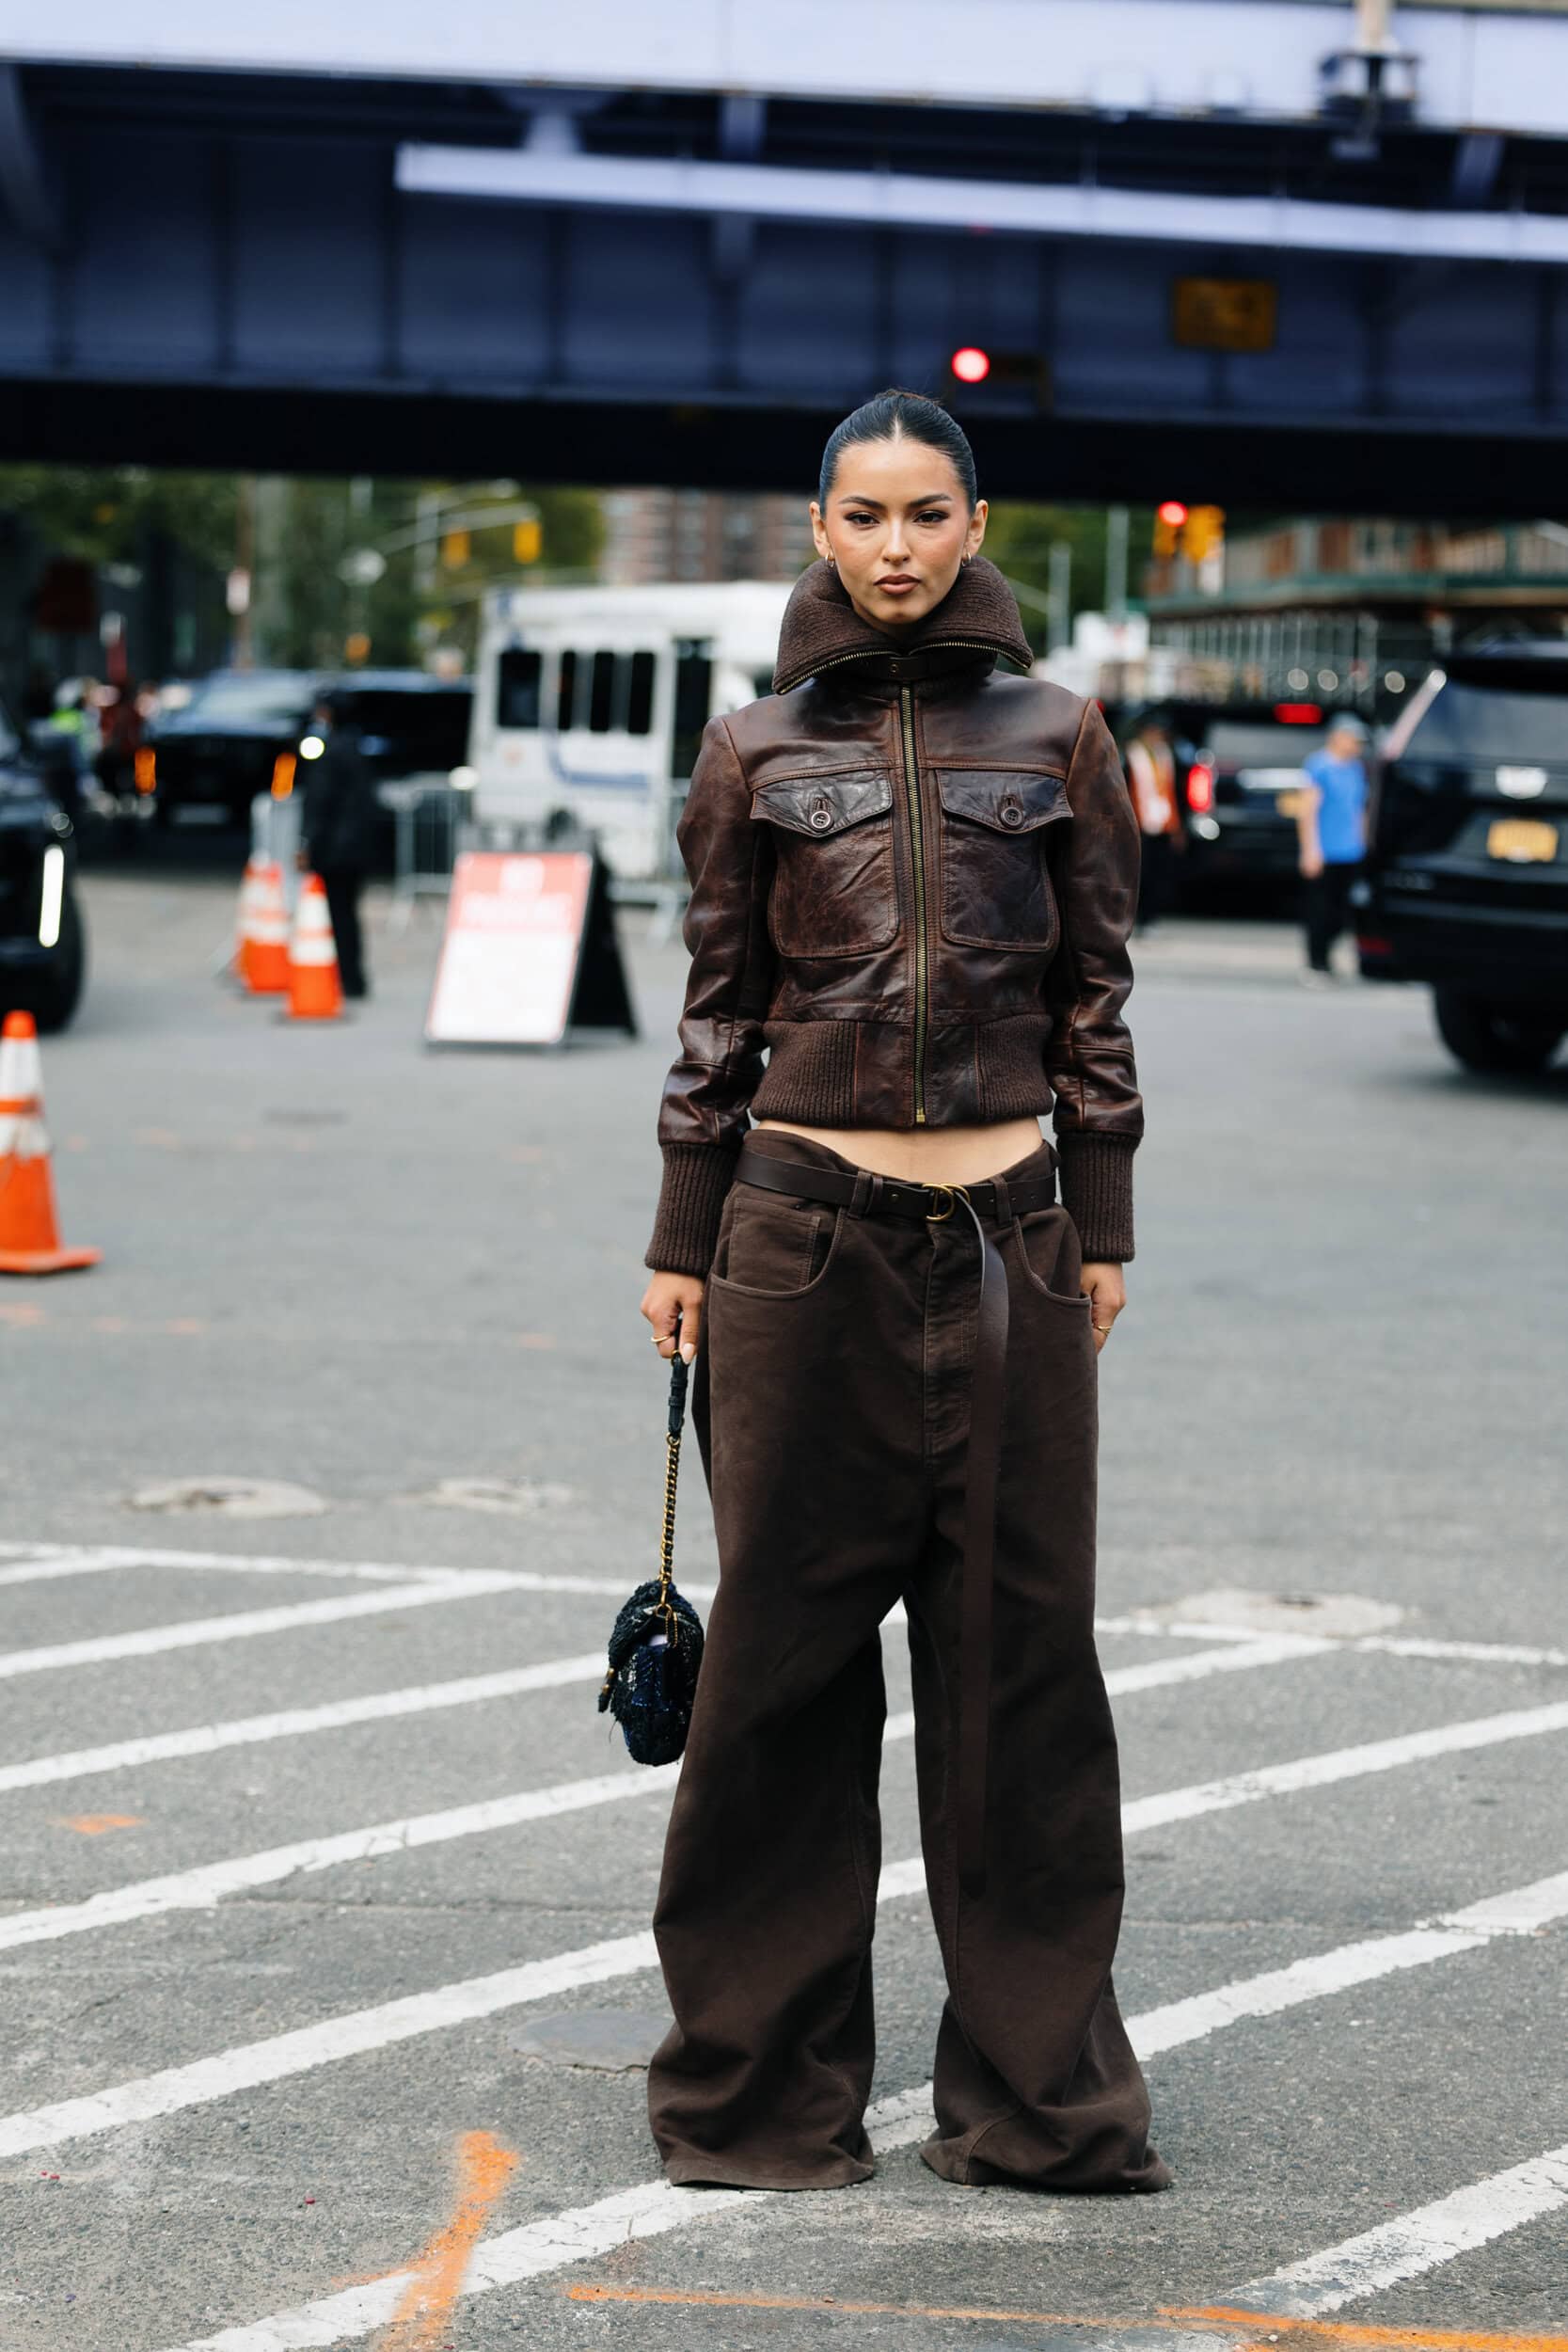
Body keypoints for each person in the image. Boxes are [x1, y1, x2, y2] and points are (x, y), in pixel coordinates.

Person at [639, 389, 1167, 2199]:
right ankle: (755, 2099)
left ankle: (1038, 2104)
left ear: (973, 523)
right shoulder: (751, 749)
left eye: (924, 513)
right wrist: (679, 1235)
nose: (893, 545)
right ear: (819, 527)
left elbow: (1094, 997)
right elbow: (717, 1013)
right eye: (860, 515)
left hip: (1013, 1237)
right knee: (777, 1680)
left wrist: (1099, 1220)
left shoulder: (1061, 734)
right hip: (798, 1242)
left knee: (1022, 1675)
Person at [299, 692, 375, 998]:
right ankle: (353, 978)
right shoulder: (356, 749)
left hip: (335, 850)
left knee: (338, 914)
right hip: (356, 847)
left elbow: (320, 804)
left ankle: (345, 978)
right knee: (349, 913)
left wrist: (308, 843)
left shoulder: (330, 753)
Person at [1296, 713, 1370, 984]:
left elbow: (1360, 810)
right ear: (1338, 737)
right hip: (1325, 850)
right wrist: (1310, 850)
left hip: (1350, 850)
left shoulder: (1356, 769)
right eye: (1353, 739)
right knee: (1321, 910)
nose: (1357, 745)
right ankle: (1316, 963)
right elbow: (1307, 811)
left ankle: (1327, 959)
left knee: (1342, 912)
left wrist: (1364, 843)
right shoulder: (1319, 766)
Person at [1121, 709, 1183, 931]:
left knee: (1159, 872)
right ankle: (1134, 918)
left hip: (1163, 822)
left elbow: (1172, 791)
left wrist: (1177, 827)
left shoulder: (1165, 756)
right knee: (1138, 873)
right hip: (1138, 823)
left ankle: (1150, 917)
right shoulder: (1130, 756)